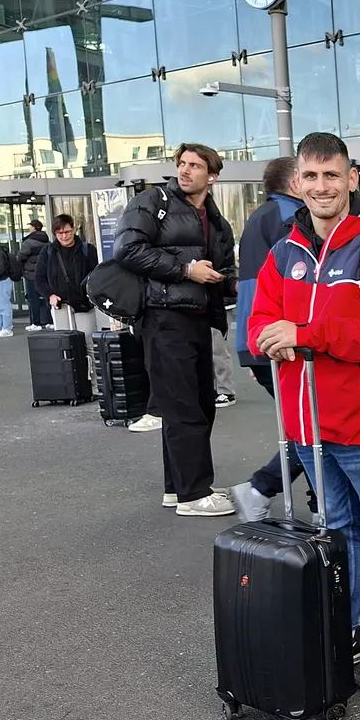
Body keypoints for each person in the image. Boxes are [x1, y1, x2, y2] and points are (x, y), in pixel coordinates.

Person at [248, 132, 360, 687]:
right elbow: (256, 328)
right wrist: (274, 338)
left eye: (332, 175)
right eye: (312, 177)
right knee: (338, 530)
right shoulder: (283, 251)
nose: (322, 187)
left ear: (352, 179)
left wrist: (305, 334)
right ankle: (345, 628)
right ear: (297, 183)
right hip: (305, 424)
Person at [112, 143, 237, 517]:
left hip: (199, 318)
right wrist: (186, 270)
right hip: (163, 319)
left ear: (211, 176)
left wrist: (231, 282)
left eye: (195, 166)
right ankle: (194, 494)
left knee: (198, 405)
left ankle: (178, 487)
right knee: (184, 407)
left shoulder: (216, 221)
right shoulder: (154, 200)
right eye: (182, 163)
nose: (185, 171)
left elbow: (224, 269)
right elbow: (126, 249)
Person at [230, 156, 308, 520]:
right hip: (279, 337)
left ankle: (273, 491)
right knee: (314, 425)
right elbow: (297, 283)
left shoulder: (261, 216)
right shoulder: (290, 219)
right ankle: (260, 487)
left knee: (305, 421)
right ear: (295, 182)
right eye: (309, 175)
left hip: (259, 336)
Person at [33, 215, 99, 338]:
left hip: (83, 303)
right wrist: (50, 295)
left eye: (67, 232)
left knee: (87, 338)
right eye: (59, 233)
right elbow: (39, 279)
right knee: (65, 341)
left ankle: (89, 358)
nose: (64, 236)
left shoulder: (88, 250)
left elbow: (96, 274)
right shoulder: (47, 252)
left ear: (73, 229)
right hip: (60, 304)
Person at [15, 220, 52, 330]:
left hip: (31, 274)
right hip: (45, 273)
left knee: (33, 298)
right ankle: (50, 321)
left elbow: (20, 257)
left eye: (30, 226)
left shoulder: (28, 242)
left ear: (34, 228)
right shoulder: (48, 242)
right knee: (47, 297)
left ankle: (36, 323)